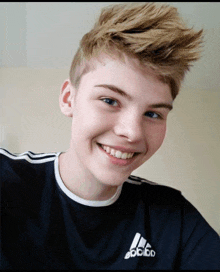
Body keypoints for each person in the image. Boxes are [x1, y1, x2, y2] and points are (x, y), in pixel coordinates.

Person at [1, 2, 220, 270]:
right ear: (69, 98)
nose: (132, 132)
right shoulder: (7, 180)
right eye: (110, 100)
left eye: (153, 114)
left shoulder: (175, 218)